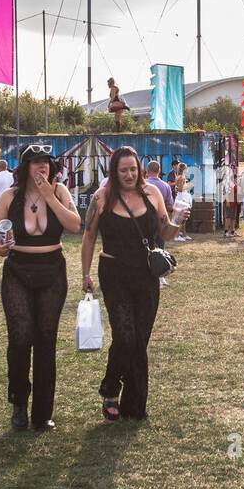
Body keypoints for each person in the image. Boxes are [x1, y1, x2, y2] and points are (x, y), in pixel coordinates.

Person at [81, 146, 187, 421]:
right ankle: (110, 388)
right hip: (113, 271)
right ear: (114, 172)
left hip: (146, 274)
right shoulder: (102, 197)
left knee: (140, 338)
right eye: (123, 170)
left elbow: (165, 232)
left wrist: (177, 222)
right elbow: (89, 236)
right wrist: (85, 274)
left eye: (133, 169)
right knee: (125, 335)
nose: (129, 175)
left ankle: (134, 403)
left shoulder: (151, 193)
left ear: (140, 170)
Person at [0, 143, 82, 431]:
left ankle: (42, 413)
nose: (42, 166)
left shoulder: (61, 192)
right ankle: (19, 402)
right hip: (18, 270)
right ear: (24, 166)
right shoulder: (8, 196)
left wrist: (49, 196)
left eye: (46, 161)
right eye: (35, 161)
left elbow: (75, 225)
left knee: (46, 340)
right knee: (20, 337)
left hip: (52, 270)